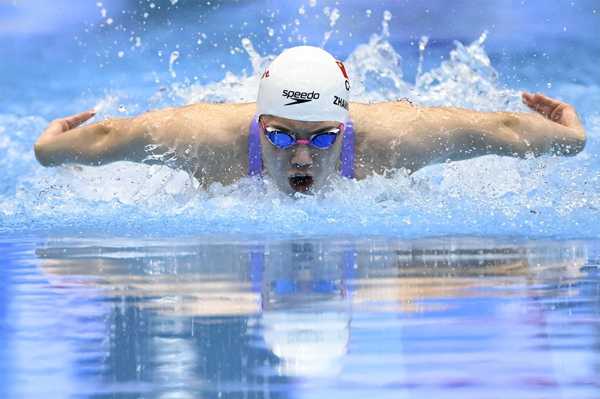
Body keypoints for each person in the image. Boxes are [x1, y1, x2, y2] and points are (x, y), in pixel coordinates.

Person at [34, 46, 586, 195]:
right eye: (278, 134)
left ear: (344, 128)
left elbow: (503, 131)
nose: (301, 156)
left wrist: (572, 138)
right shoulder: (202, 138)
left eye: (322, 137)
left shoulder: (394, 139)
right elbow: (112, 137)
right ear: (257, 123)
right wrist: (47, 148)